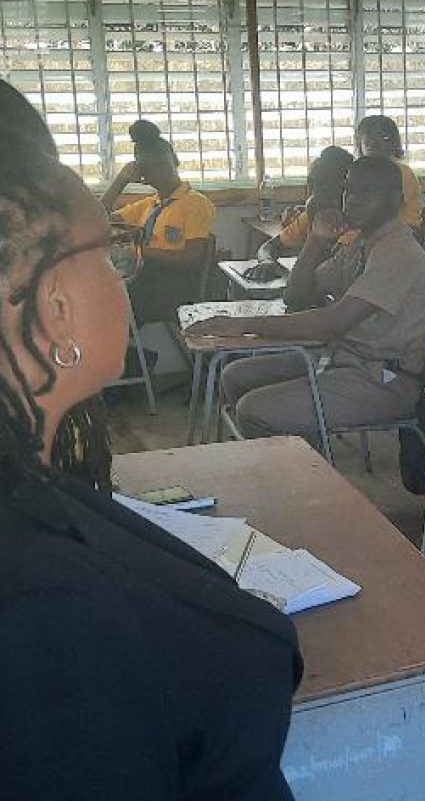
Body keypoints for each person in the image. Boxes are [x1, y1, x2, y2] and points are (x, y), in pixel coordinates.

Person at [0, 80, 300, 798]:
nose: (119, 273)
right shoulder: (45, 609)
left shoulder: (33, 490)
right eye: (105, 254)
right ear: (55, 302)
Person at [190, 156, 425, 444]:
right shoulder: (360, 243)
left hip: (383, 380)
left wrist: (240, 325)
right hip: (343, 359)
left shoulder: (398, 253)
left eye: (367, 192)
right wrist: (316, 240)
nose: (352, 200)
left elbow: (331, 323)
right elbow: (296, 296)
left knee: (254, 410)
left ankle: (304, 473)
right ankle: (298, 451)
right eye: (348, 190)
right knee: (235, 376)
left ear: (395, 199)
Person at [100, 120, 216, 323]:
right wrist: (120, 181)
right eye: (149, 168)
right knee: (93, 295)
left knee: (103, 305)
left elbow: (192, 257)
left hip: (173, 285)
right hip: (144, 279)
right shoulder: (148, 205)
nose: (158, 172)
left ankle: (130, 353)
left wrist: (138, 251)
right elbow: (97, 218)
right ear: (142, 175)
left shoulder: (196, 203)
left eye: (162, 164)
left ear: (175, 160)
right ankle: (131, 353)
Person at [254, 146, 355, 265]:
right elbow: (268, 247)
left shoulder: (354, 228)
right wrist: (267, 261)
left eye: (323, 185)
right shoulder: (313, 211)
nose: (313, 193)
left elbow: (326, 275)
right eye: (311, 185)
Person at [354, 114, 425, 230]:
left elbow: (379, 213)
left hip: (402, 229)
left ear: (394, 143)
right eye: (368, 138)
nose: (373, 143)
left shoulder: (402, 172)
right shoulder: (359, 172)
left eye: (382, 138)